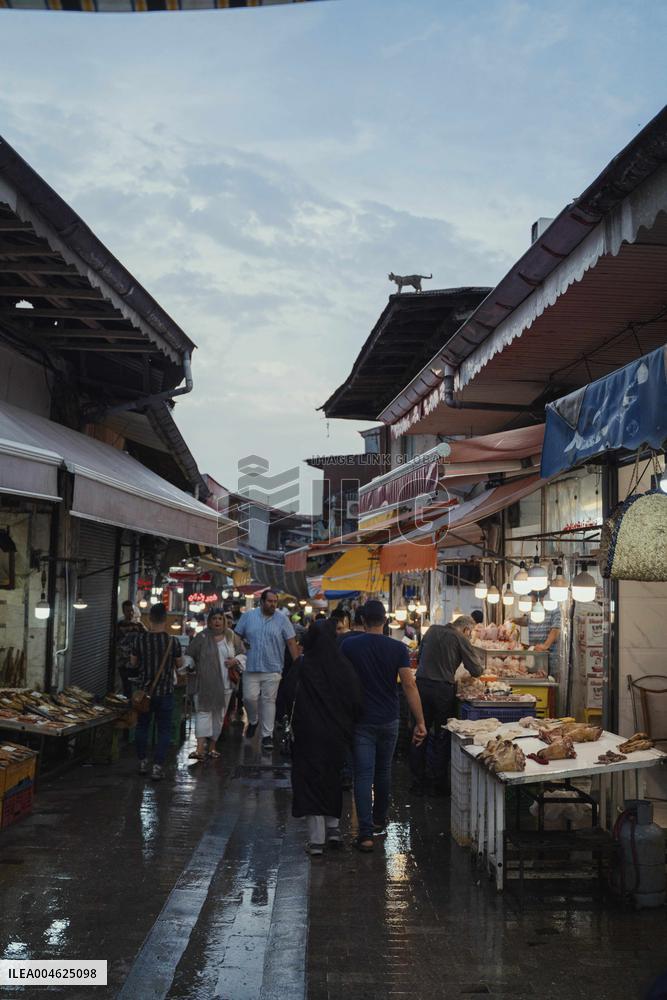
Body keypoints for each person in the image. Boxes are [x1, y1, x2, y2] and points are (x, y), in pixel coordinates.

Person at [340, 600, 427, 852]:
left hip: (361, 719)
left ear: (363, 621)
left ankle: (365, 834)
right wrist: (420, 721)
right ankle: (379, 821)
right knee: (383, 772)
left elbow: (342, 681)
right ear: (385, 621)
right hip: (389, 718)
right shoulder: (397, 648)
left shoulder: (349, 646)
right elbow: (409, 685)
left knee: (363, 775)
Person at [282, 619, 364, 856]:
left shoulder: (302, 665)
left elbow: (287, 695)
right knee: (332, 779)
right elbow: (356, 700)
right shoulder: (342, 666)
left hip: (307, 735)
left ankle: (316, 840)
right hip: (336, 736)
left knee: (309, 782)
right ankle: (334, 828)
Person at [409, 614, 483, 796]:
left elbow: (419, 655)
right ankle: (438, 785)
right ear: (466, 629)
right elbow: (476, 670)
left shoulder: (432, 630)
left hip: (421, 686)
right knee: (442, 735)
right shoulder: (460, 638)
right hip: (442, 690)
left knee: (420, 731)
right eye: (470, 633)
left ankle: (417, 783)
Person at [235, 588, 299, 752]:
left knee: (269, 701)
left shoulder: (282, 620)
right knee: (248, 698)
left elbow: (291, 642)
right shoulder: (248, 617)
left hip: (273, 667)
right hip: (251, 666)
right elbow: (237, 636)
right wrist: (241, 646)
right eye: (269, 601)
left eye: (275, 602)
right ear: (261, 602)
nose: (272, 604)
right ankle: (254, 720)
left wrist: (298, 663)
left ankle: (266, 736)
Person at [130, 603, 183, 780]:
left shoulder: (139, 640)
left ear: (150, 618)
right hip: (165, 692)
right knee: (164, 730)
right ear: (165, 619)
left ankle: (142, 762)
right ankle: (158, 766)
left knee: (142, 726)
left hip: (145, 693)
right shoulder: (172, 642)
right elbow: (179, 664)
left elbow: (133, 663)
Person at [187, 607, 246, 761]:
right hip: (204, 683)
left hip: (225, 685)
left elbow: (243, 654)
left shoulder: (231, 637)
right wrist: (189, 665)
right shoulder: (202, 637)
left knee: (218, 716)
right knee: (203, 713)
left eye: (220, 618)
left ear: (224, 621)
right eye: (214, 619)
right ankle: (200, 748)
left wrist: (235, 661)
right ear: (209, 621)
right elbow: (189, 655)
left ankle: (212, 746)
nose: (217, 621)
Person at [514, 599, 562, 677]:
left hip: (549, 658)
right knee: (535, 676)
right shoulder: (533, 608)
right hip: (534, 655)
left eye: (533, 598)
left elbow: (556, 629)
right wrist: (514, 620)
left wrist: (546, 645)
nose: (532, 601)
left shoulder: (554, 608)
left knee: (548, 680)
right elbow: (526, 621)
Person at [115, 600, 146, 698]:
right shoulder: (118, 626)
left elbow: (147, 637)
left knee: (134, 688)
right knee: (125, 687)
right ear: (124, 612)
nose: (131, 613)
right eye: (128, 611)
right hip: (123, 663)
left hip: (136, 663)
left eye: (132, 610)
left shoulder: (138, 626)